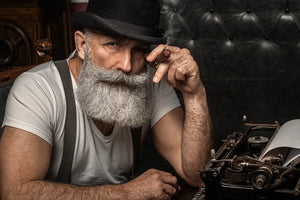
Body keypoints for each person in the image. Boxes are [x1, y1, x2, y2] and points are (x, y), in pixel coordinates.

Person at [0, 0, 213, 199]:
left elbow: (197, 175)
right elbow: (16, 192)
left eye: (138, 49)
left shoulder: (151, 82)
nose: (127, 66)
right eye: (113, 44)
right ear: (82, 45)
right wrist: (126, 194)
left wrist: (194, 95)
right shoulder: (38, 88)